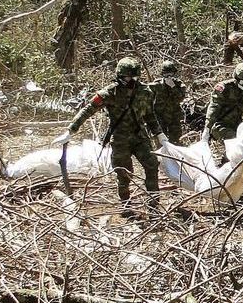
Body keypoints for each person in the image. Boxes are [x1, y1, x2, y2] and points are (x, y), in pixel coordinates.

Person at [52, 57, 167, 217]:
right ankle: (126, 207)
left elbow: (150, 116)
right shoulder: (109, 93)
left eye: (135, 77)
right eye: (128, 77)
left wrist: (160, 135)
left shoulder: (145, 92)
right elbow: (88, 110)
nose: (132, 81)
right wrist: (71, 130)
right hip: (120, 140)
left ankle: (154, 207)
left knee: (152, 165)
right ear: (120, 76)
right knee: (124, 173)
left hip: (140, 138)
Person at [204, 62, 243, 144]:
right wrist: (207, 129)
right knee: (237, 141)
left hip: (237, 127)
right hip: (219, 126)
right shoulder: (224, 88)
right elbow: (213, 109)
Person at [150, 60, 186, 145]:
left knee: (175, 141)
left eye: (171, 74)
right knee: (160, 142)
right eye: (166, 74)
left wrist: (173, 87)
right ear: (162, 74)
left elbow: (181, 98)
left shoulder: (179, 84)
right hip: (160, 117)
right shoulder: (156, 85)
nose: (169, 76)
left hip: (174, 117)